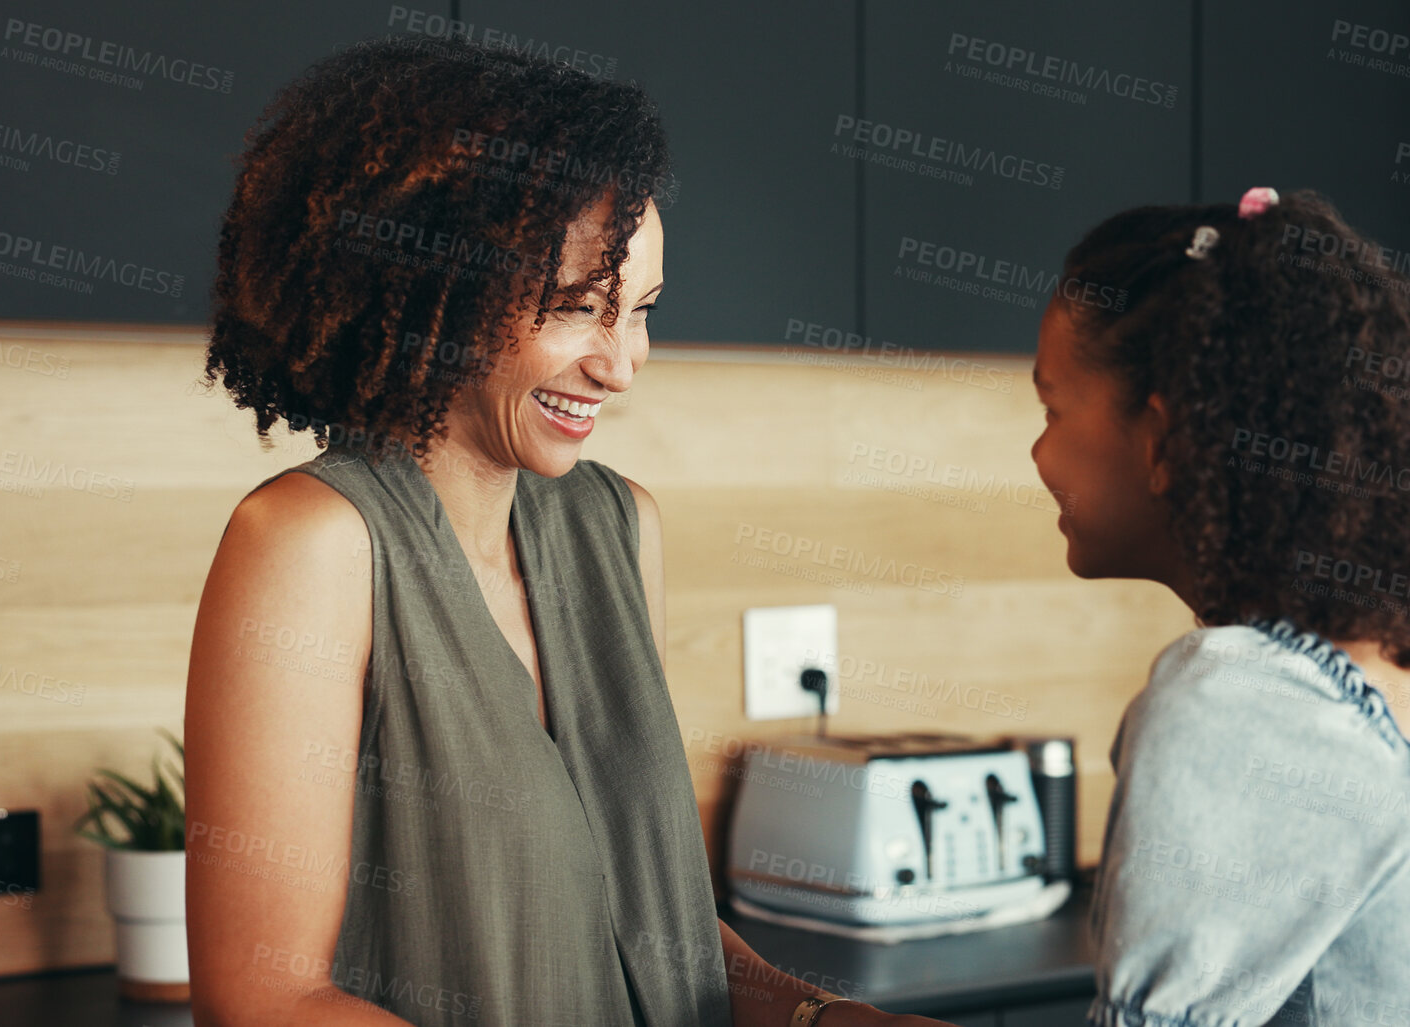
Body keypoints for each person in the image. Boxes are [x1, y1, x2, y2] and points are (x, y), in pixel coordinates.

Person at [184, 34, 939, 1027]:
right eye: (582, 310)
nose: (621, 365)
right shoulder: (311, 542)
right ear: (433, 292)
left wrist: (823, 1018)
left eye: (641, 312)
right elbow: (266, 1001)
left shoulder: (620, 528)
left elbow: (653, 930)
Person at [1030, 188, 1410, 1026]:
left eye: (1051, 407)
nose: (1038, 451)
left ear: (1162, 439)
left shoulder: (1246, 700)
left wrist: (796, 1008)